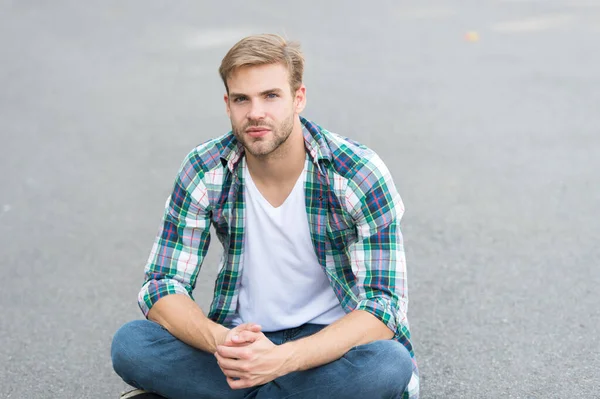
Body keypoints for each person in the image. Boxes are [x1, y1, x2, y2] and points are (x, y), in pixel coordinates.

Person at [111, 33, 419, 399]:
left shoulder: (357, 172)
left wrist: (284, 359)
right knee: (132, 343)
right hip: (241, 342)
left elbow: (383, 307)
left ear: (298, 98)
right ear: (228, 105)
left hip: (328, 349)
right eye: (242, 99)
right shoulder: (204, 169)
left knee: (387, 364)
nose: (256, 112)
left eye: (271, 96)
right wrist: (223, 340)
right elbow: (162, 284)